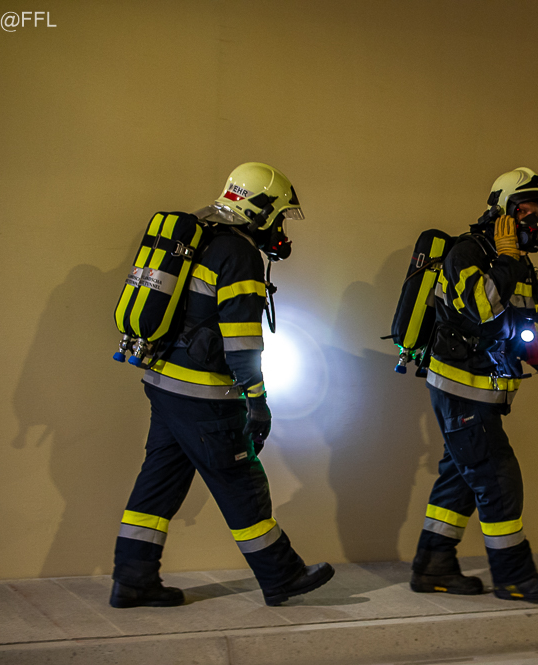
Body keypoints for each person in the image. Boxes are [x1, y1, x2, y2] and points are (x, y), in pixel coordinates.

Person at [109, 163, 334, 608]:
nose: (281, 229)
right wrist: (257, 399)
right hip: (205, 396)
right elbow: (242, 339)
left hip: (165, 384)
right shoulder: (239, 253)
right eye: (280, 217)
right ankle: (282, 575)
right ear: (261, 210)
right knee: (240, 481)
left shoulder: (201, 236)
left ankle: (133, 579)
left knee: (158, 483)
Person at [410, 167, 538, 601]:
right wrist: (506, 258)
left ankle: (433, 566)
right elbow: (483, 309)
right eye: (526, 210)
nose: (534, 221)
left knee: (460, 477)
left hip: (482, 391)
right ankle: (513, 575)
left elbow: (516, 330)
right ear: (502, 210)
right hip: (460, 388)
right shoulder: (468, 253)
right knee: (498, 479)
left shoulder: (517, 264)